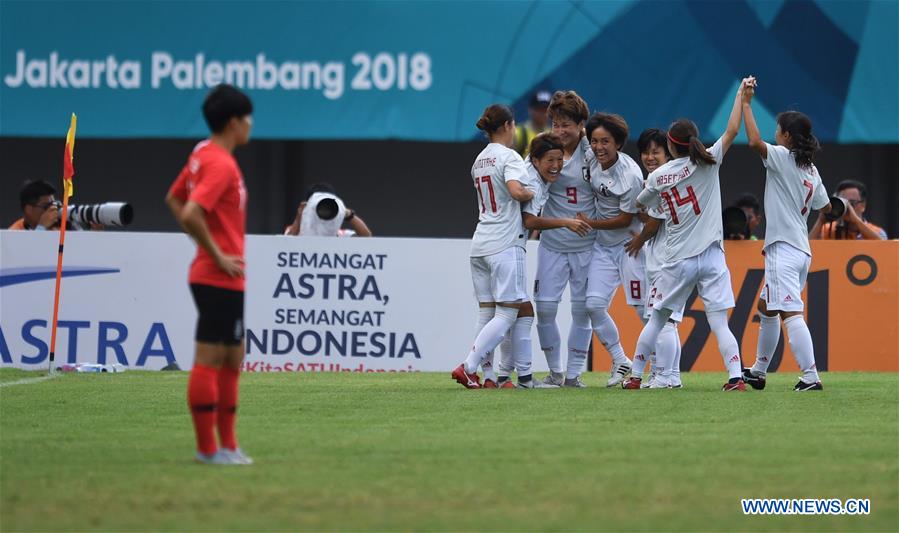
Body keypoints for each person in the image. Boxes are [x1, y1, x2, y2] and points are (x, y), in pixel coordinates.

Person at [626, 78, 753, 391]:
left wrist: (656, 207)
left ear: (670, 146)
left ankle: (634, 375)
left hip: (677, 258)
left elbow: (640, 204)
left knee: (656, 319)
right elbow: (733, 129)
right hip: (711, 256)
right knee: (719, 322)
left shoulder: (658, 175)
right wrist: (741, 96)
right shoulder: (708, 161)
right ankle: (736, 377)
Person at [165, 84, 254, 464]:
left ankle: (228, 445)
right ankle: (209, 449)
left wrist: (206, 247)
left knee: (233, 358)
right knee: (211, 358)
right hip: (219, 276)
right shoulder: (220, 163)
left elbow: (174, 198)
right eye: (248, 118)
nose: (251, 126)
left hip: (219, 274)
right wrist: (216, 254)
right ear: (234, 122)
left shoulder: (202, 153)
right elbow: (190, 211)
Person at [740, 81, 833, 391]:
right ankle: (758, 370)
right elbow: (827, 206)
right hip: (801, 250)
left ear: (787, 136)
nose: (775, 133)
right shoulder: (811, 170)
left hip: (783, 248)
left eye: (778, 129)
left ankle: (810, 377)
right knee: (767, 308)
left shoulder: (782, 156)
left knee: (791, 313)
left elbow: (753, 141)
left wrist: (746, 104)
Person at [492, 133, 593, 388]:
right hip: (507, 247)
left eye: (559, 159)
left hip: (500, 244)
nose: (556, 165)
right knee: (514, 312)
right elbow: (530, 221)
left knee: (505, 312)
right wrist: (567, 221)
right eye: (550, 160)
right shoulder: (533, 181)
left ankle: (501, 375)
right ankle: (486, 370)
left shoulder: (534, 171)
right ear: (536, 160)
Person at [451, 104, 534, 389]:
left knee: (486, 312)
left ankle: (488, 377)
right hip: (504, 243)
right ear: (509, 126)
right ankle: (468, 366)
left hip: (480, 243)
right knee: (508, 313)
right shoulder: (509, 156)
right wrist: (530, 191)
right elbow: (514, 190)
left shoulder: (479, 160)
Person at [531, 90, 598, 388]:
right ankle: (555, 372)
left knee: (582, 311)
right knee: (544, 309)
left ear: (581, 124)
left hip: (587, 245)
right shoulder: (544, 147)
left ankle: (573, 375)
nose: (560, 130)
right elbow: (526, 180)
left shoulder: (594, 150)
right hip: (553, 245)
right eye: (556, 123)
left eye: (566, 124)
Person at [576, 112, 646, 388]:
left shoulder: (630, 176)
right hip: (603, 248)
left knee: (645, 312)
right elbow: (576, 133)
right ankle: (620, 360)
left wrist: (589, 223)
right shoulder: (591, 157)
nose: (598, 147)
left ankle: (665, 371)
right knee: (593, 305)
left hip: (630, 247)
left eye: (605, 141)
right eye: (594, 141)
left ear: (617, 143)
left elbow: (625, 219)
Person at [620, 128, 684, 389]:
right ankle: (671, 376)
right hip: (664, 257)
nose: (649, 157)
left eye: (655, 152)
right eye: (645, 152)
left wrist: (639, 238)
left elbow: (654, 221)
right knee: (664, 320)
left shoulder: (664, 181)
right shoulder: (655, 181)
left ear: (668, 154)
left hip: (666, 258)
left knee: (662, 320)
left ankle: (664, 376)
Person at [283, 183, 372, 237]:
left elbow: (367, 237)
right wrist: (300, 216)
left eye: (328, 206)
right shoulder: (296, 230)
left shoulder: (340, 234)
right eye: (321, 206)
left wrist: (349, 215)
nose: (325, 209)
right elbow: (286, 244)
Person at [810, 180, 887, 240]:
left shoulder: (877, 232)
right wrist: (820, 221)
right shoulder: (828, 230)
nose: (847, 208)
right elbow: (805, 252)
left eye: (852, 203)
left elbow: (886, 249)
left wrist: (856, 221)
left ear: (863, 205)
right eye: (843, 202)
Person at [513, 90, 552, 157]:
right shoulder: (518, 133)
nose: (544, 113)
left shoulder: (553, 135)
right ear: (530, 109)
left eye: (546, 109)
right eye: (540, 109)